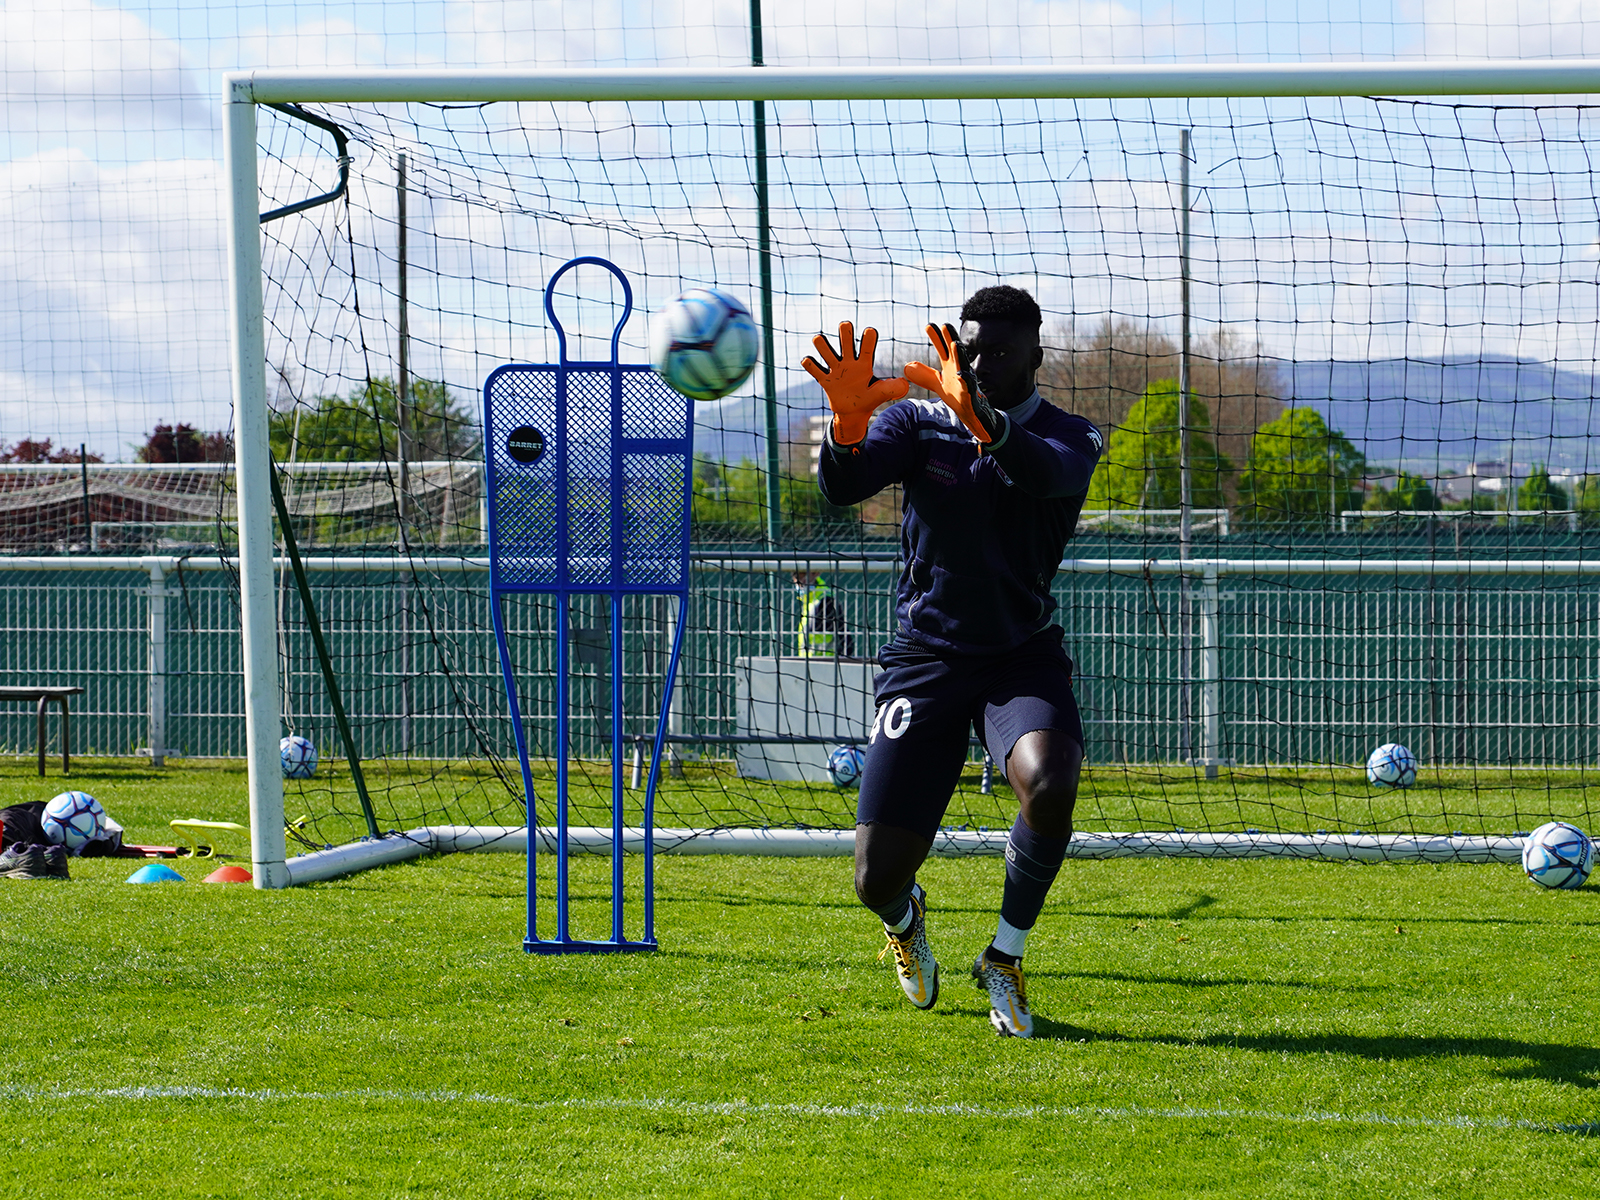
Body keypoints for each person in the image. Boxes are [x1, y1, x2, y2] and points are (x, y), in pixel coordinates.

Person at [800, 286, 1103, 1037]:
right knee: (875, 880)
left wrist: (985, 422)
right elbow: (844, 487)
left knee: (1051, 781)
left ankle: (1005, 957)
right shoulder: (916, 420)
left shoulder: (1074, 434)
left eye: (998, 351)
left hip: (1018, 658)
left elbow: (1044, 474)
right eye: (968, 350)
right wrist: (844, 427)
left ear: (1037, 353)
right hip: (926, 659)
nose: (979, 363)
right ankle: (907, 923)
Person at [793, 570, 854, 657]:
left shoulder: (825, 598)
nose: (800, 580)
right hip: (808, 660)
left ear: (816, 573)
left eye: (803, 575)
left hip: (826, 660)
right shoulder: (808, 599)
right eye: (797, 577)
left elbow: (843, 631)